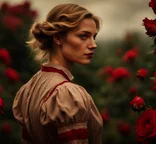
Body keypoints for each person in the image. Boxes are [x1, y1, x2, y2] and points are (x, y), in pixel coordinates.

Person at [12, 3, 103, 144]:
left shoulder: (28, 89)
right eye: (84, 36)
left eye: (94, 37)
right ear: (58, 38)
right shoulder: (66, 93)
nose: (93, 44)